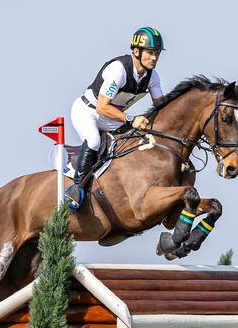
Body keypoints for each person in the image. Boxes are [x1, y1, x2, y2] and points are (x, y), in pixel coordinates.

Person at [65, 26, 165, 209]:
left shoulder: (152, 77)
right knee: (94, 141)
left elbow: (162, 106)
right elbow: (103, 107)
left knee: (135, 139)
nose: (154, 58)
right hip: (88, 111)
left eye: (157, 53)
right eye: (150, 53)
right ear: (136, 51)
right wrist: (131, 119)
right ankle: (76, 189)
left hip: (112, 117)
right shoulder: (119, 70)